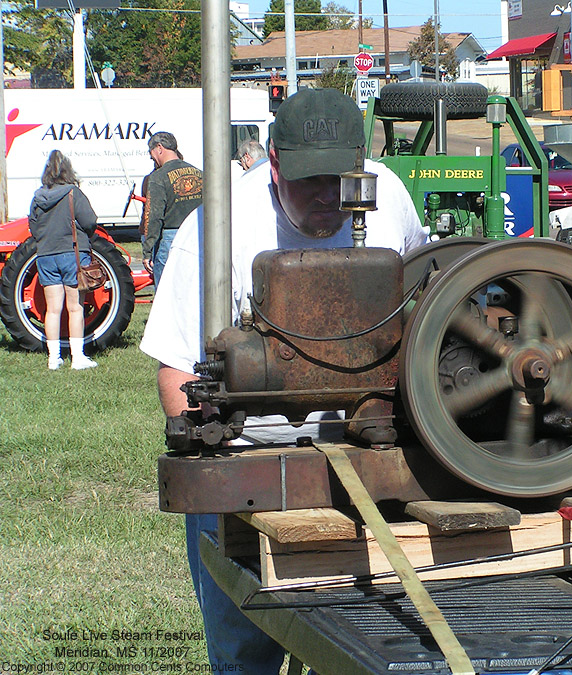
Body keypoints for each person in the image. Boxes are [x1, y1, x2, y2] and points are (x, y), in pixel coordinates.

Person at [140, 88, 428, 672]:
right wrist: (216, 466)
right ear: (272, 162)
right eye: (307, 180)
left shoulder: (390, 196)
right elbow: (175, 367)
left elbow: (431, 303)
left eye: (339, 178)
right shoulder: (216, 227)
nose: (326, 196)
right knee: (246, 649)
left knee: (369, 646)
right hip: (254, 462)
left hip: (369, 455)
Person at [29, 150, 99, 371]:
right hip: (72, 255)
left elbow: (33, 227)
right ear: (68, 171)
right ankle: (77, 358)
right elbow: (89, 221)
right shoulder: (73, 193)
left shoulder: (37, 197)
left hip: (46, 255)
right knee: (75, 308)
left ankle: (53, 358)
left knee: (53, 309)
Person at [142, 131, 203, 286]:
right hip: (197, 234)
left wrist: (147, 251)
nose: (153, 158)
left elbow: (155, 216)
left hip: (170, 238)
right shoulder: (199, 174)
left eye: (152, 154)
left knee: (167, 290)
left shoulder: (159, 177)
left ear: (159, 148)